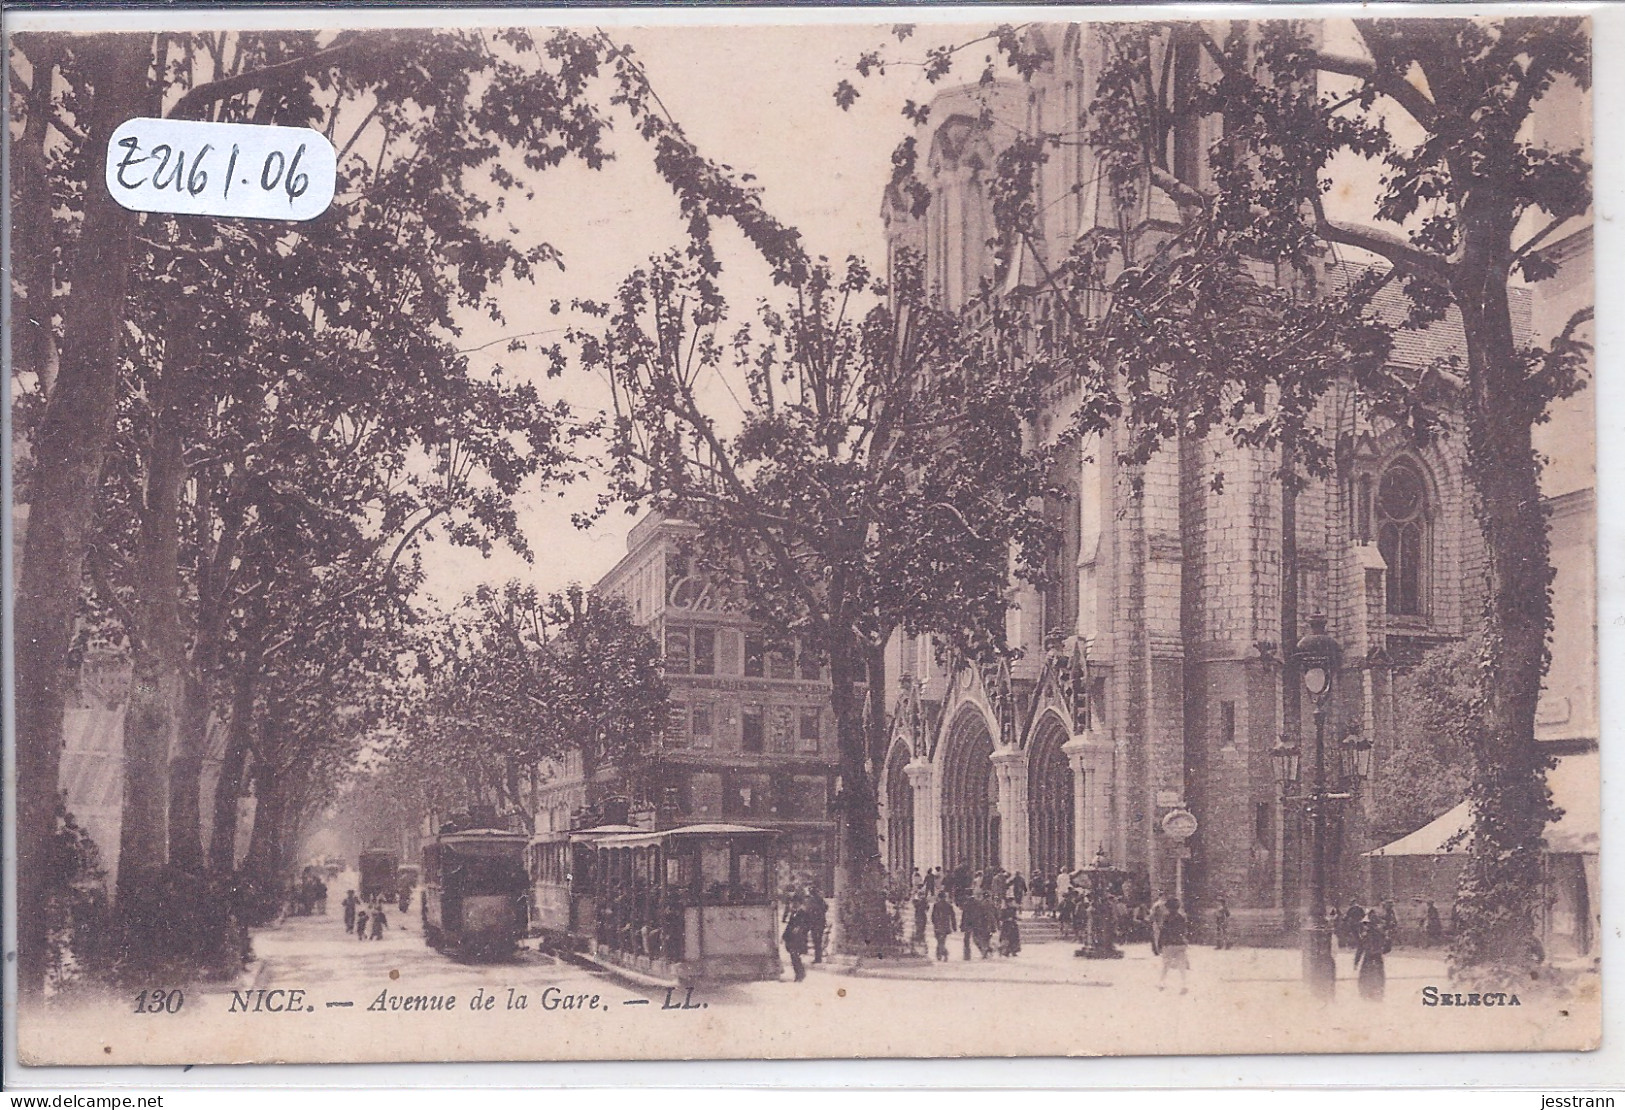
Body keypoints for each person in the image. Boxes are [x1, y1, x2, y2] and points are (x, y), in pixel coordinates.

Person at [1157, 897, 1191, 994]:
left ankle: (1162, 982)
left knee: (1166, 964)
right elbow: (1185, 930)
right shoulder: (1182, 917)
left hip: (1169, 943)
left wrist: (1159, 944)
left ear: (1168, 907)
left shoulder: (1166, 917)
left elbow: (1163, 931)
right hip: (1180, 943)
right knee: (1181, 965)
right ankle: (1184, 984)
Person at [1353, 918, 1391, 1001]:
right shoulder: (1381, 934)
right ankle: (1377, 993)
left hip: (1369, 958)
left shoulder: (1366, 935)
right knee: (1378, 976)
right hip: (1378, 958)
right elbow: (1387, 949)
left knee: (1366, 977)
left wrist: (1356, 962)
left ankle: (1366, 993)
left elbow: (1360, 949)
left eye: (1365, 924)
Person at [782, 898, 812, 981]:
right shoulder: (793, 913)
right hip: (791, 938)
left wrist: (800, 929)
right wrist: (784, 936)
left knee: (795, 956)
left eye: (795, 903)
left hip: (799, 939)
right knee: (794, 957)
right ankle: (799, 973)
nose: (793, 904)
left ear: (799, 903)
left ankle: (800, 974)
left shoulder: (803, 913)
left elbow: (808, 925)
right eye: (793, 903)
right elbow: (789, 926)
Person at [804, 884, 828, 964]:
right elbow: (826, 907)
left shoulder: (810, 901)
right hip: (821, 922)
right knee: (819, 940)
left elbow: (808, 911)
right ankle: (818, 957)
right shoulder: (820, 899)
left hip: (814, 923)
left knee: (816, 941)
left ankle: (817, 958)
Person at [930, 890, 957, 962]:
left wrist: (934, 923)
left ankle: (943, 954)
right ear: (945, 897)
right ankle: (940, 954)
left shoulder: (936, 905)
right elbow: (952, 916)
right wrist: (954, 926)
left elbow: (933, 916)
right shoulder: (949, 905)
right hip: (946, 926)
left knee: (939, 941)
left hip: (938, 925)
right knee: (942, 941)